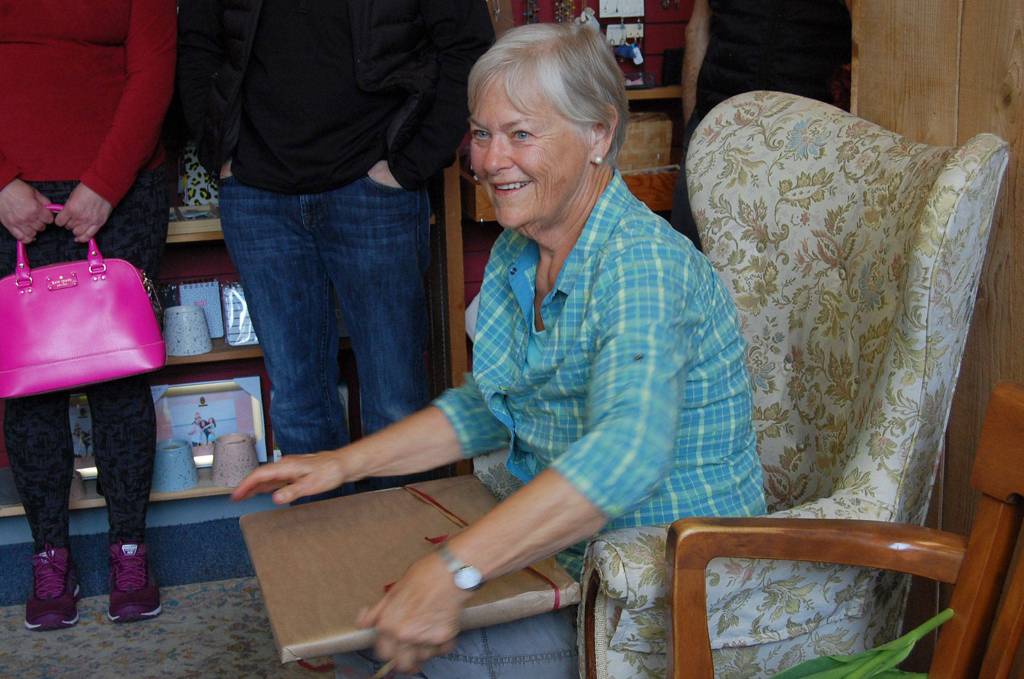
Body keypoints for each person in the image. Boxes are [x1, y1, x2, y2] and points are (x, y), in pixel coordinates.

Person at [234, 23, 766, 677]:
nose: (489, 160)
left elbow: (625, 454)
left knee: (398, 637)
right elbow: (490, 407)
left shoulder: (641, 265)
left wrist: (452, 569)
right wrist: (343, 464)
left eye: (520, 133)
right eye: (482, 133)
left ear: (598, 134)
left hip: (658, 585)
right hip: (573, 556)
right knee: (359, 608)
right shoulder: (520, 250)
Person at [176, 0, 494, 495]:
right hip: (259, 191)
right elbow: (196, 44)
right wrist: (221, 152)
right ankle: (324, 565)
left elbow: (468, 47)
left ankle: (399, 560)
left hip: (376, 188)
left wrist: (409, 165)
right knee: (298, 405)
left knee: (395, 402)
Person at [0, 1, 176, 630]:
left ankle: (130, 549)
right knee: (27, 388)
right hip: (7, 203)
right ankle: (51, 554)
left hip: (123, 193)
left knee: (119, 374)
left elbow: (153, 72)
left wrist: (105, 182)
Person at [670, 0, 853, 249]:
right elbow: (697, 30)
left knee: (790, 266)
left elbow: (865, 44)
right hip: (718, 136)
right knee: (691, 257)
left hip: (803, 148)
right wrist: (696, 135)